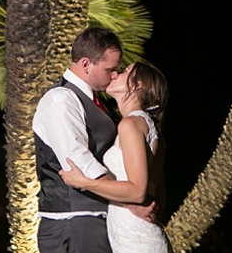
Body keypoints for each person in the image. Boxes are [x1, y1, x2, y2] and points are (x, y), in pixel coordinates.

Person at [33, 27, 130, 253]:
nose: (115, 76)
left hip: (89, 220)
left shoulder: (89, 99)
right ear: (86, 64)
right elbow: (79, 162)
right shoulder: (61, 99)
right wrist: (128, 198)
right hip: (74, 222)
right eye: (110, 69)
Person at [59, 61, 170, 253]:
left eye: (125, 71)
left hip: (135, 240)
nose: (115, 74)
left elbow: (138, 192)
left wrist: (84, 182)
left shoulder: (130, 124)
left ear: (138, 85)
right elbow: (159, 198)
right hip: (141, 235)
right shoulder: (153, 131)